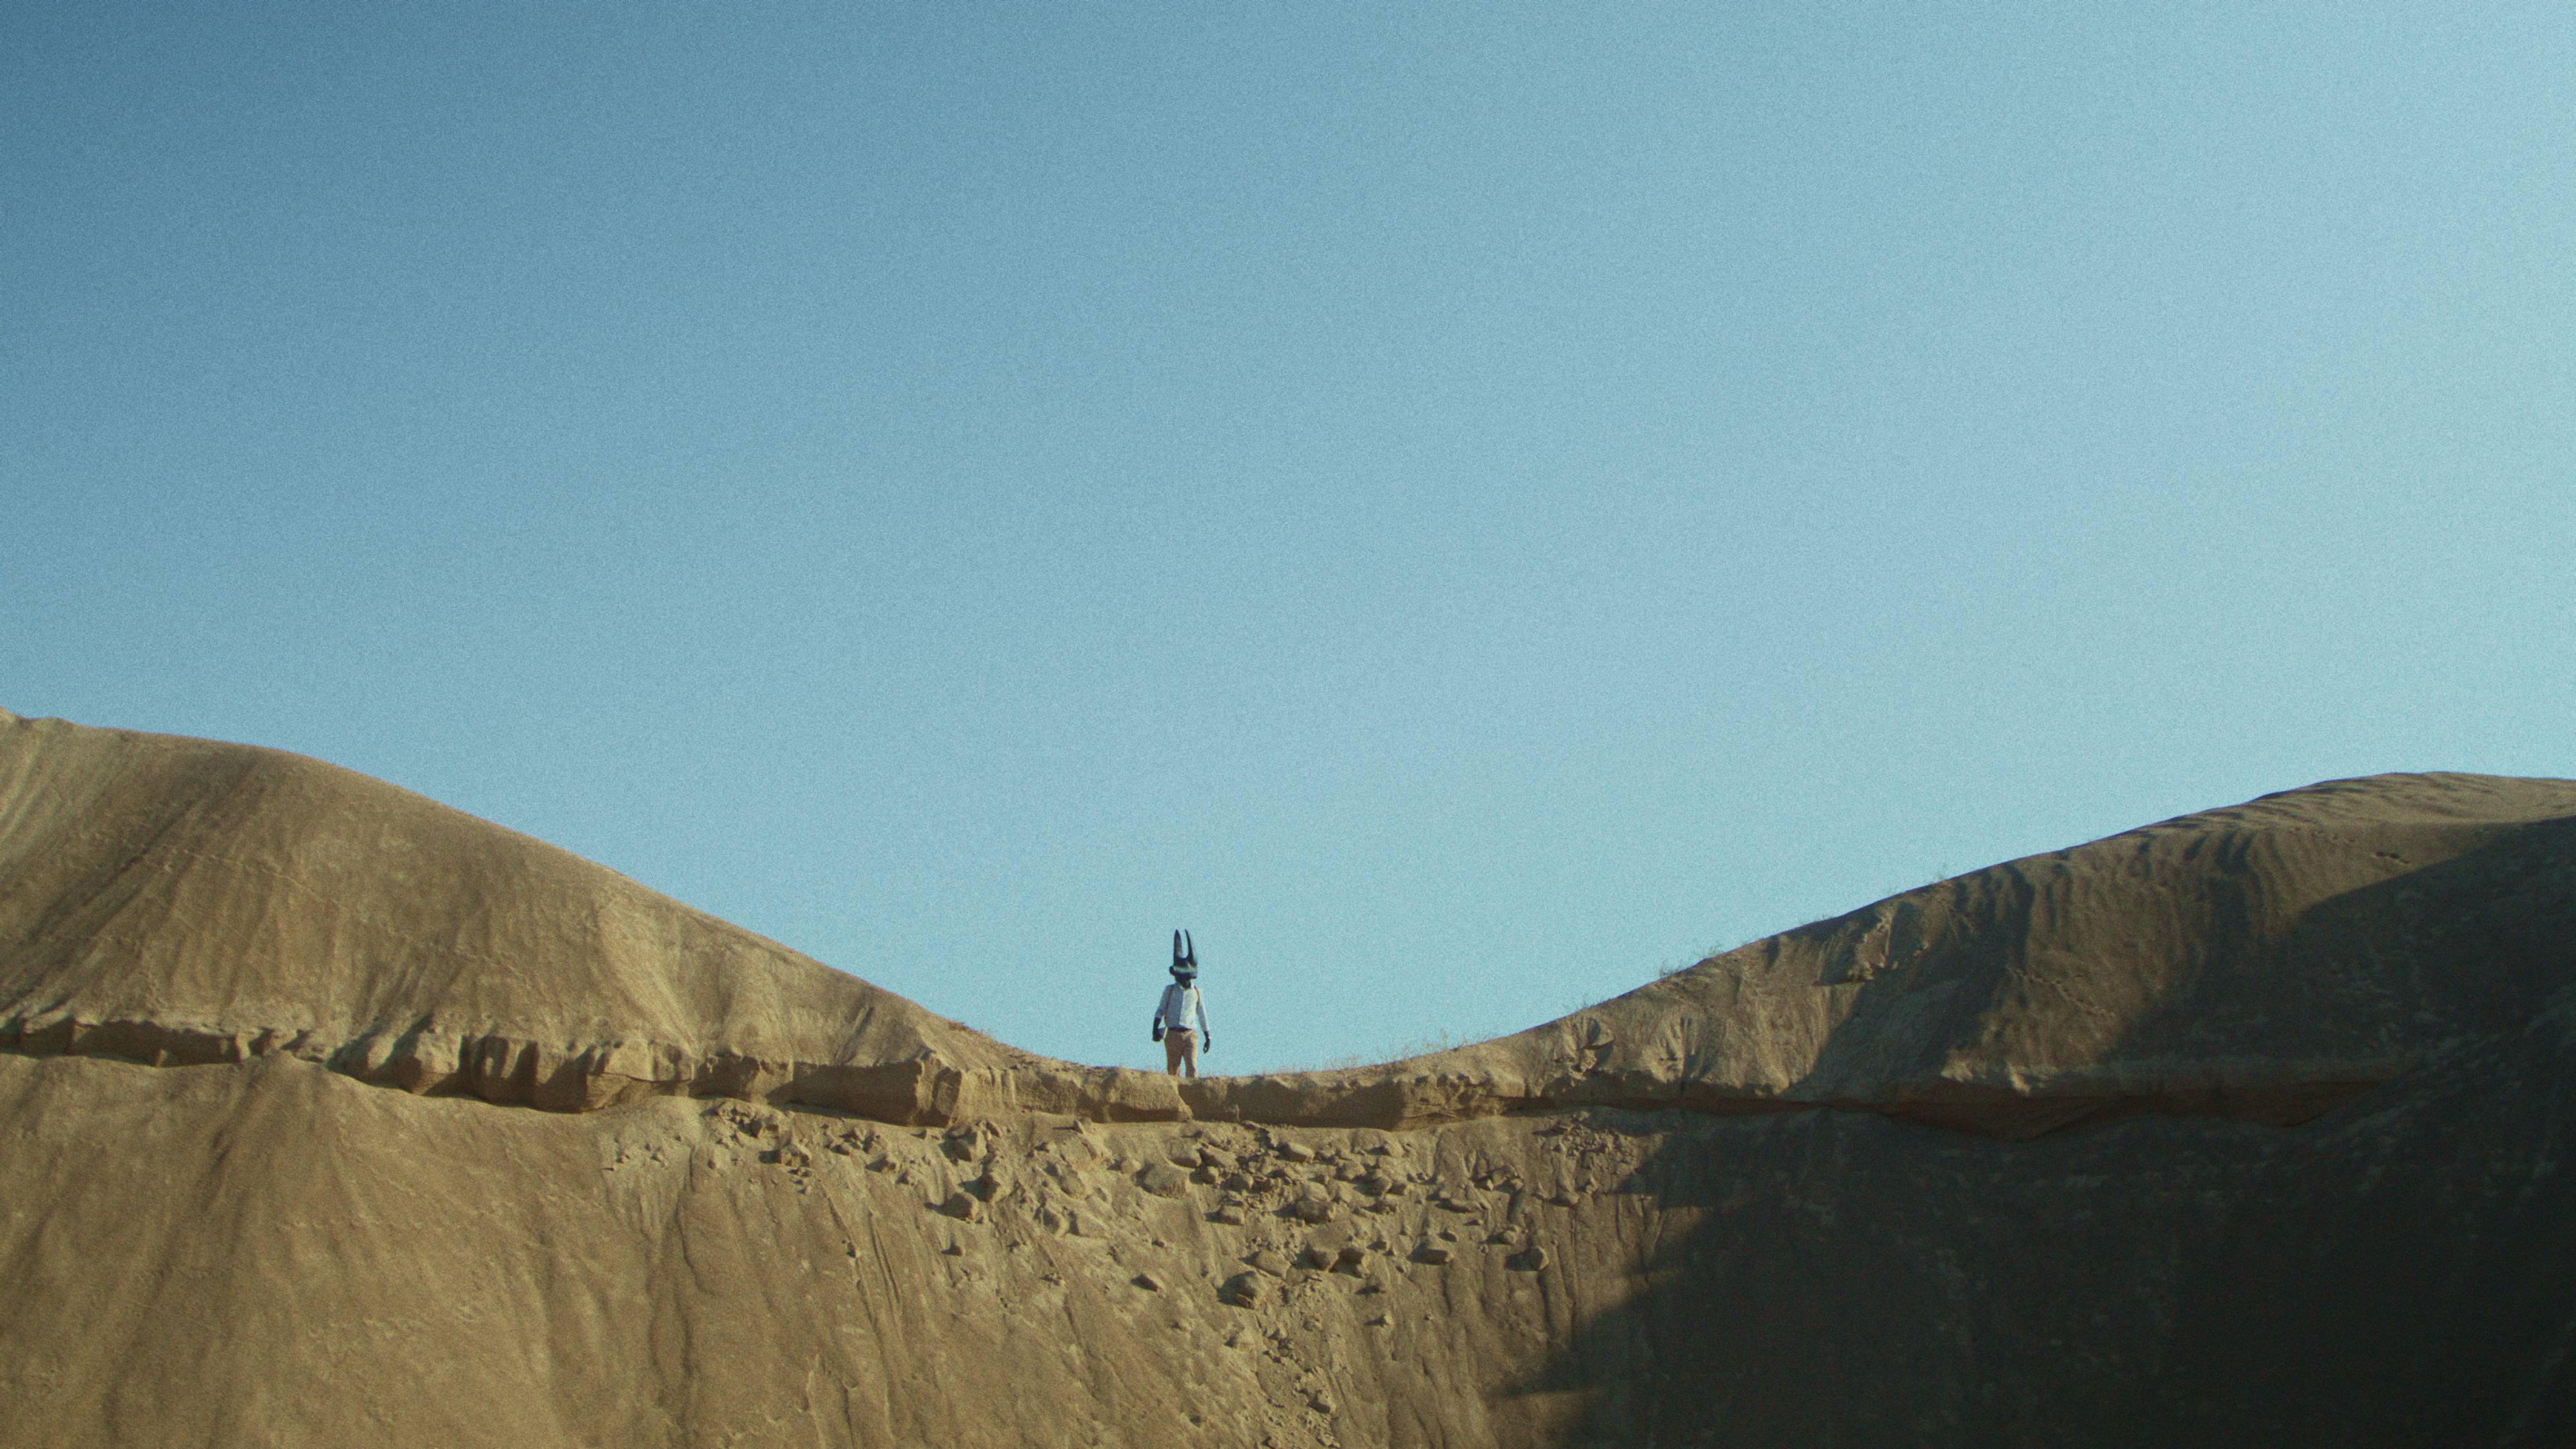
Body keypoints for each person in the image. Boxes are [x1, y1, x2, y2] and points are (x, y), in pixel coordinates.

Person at [1152, 929, 1212, 1078]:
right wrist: (1155, 1028)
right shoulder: (1170, 990)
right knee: (1173, 1071)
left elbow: (1202, 1014)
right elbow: (1160, 1010)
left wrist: (1207, 1036)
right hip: (1172, 1034)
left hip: (1190, 1033)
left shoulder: (1197, 992)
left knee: (1192, 1069)